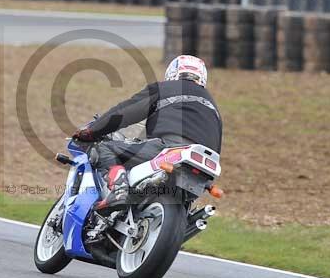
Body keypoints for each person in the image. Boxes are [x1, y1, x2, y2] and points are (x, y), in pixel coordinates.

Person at [72, 55, 222, 210]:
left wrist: (92, 131)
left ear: (173, 73)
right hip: (204, 167)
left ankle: (119, 190)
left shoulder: (164, 88)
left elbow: (125, 112)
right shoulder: (212, 105)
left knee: (104, 148)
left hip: (170, 148)